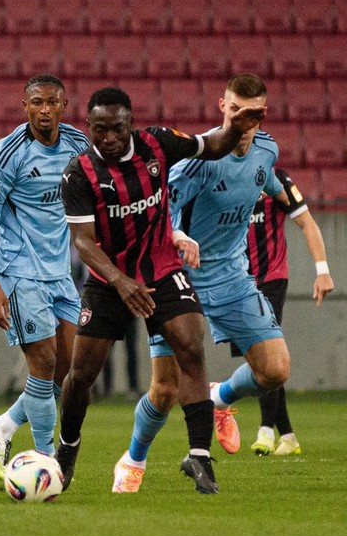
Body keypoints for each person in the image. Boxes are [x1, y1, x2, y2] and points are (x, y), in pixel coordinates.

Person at [118, 75, 333, 493]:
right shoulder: (200, 158)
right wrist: (179, 236)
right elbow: (161, 204)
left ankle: (219, 398)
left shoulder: (267, 151)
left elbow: (266, 183)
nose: (243, 121)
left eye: (252, 114)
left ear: (262, 114)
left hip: (233, 277)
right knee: (164, 390)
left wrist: (320, 260)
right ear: (222, 107)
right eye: (236, 111)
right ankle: (134, 458)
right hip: (180, 278)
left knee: (276, 369)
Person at [57, 86, 266, 494]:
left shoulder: (158, 143)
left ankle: (200, 456)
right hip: (108, 279)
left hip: (162, 268)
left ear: (130, 123)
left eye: (117, 128)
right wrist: (120, 281)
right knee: (81, 375)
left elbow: (213, 145)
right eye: (99, 129)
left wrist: (234, 126)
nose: (109, 138)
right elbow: (82, 241)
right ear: (89, 127)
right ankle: (67, 452)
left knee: (191, 345)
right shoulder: (78, 173)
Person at [0, 75, 88, 476]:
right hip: (19, 271)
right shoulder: (7, 155)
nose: (44, 110)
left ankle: (4, 424)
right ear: (25, 107)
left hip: (60, 273)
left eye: (52, 102)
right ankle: (46, 461)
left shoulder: (78, 146)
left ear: (64, 105)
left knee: (71, 367)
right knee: (42, 363)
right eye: (36, 102)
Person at [233, 165, 333, 456]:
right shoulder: (222, 176)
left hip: (272, 277)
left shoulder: (274, 176)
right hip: (237, 283)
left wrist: (322, 270)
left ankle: (265, 430)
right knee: (263, 364)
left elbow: (308, 223)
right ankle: (288, 435)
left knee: (265, 351)